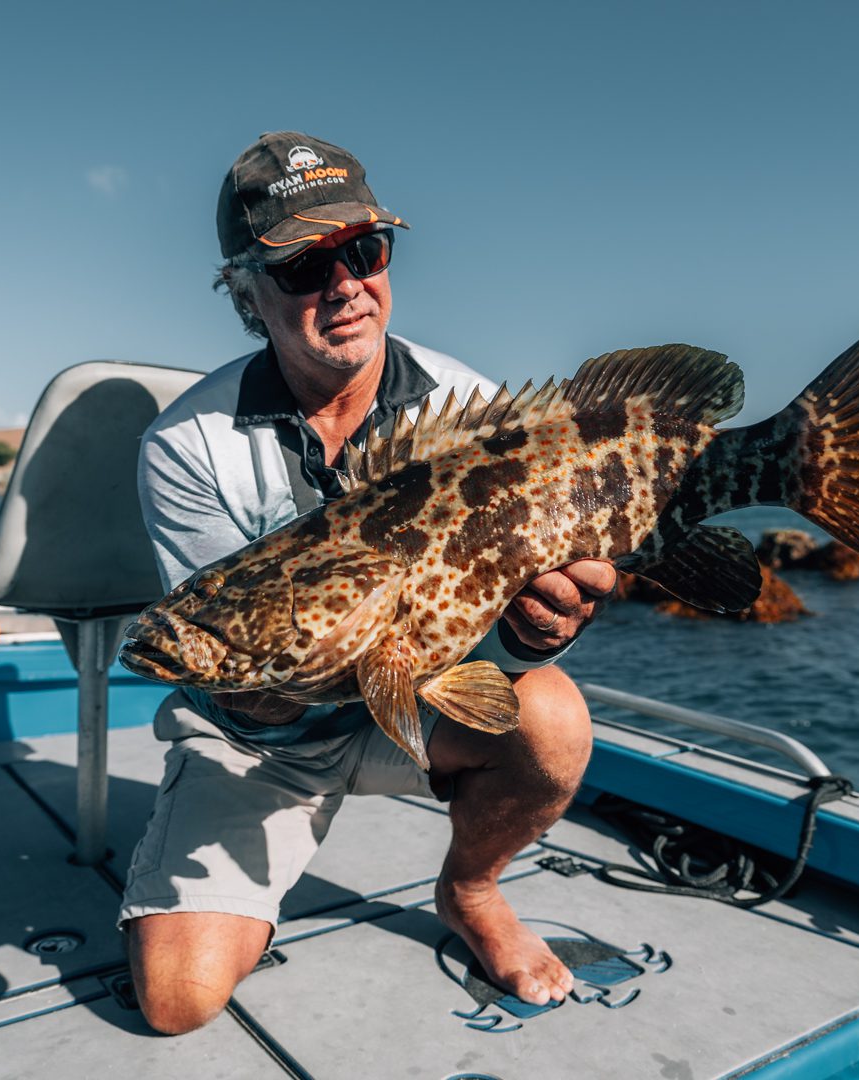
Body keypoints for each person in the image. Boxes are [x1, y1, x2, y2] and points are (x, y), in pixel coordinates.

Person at [124, 131, 617, 1035]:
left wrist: (534, 634)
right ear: (246, 289)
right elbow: (231, 674)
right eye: (305, 265)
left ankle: (469, 888)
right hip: (259, 740)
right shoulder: (187, 446)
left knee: (552, 717)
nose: (346, 283)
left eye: (365, 250)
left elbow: (491, 635)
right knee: (176, 1004)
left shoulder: (465, 410)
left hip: (414, 698)